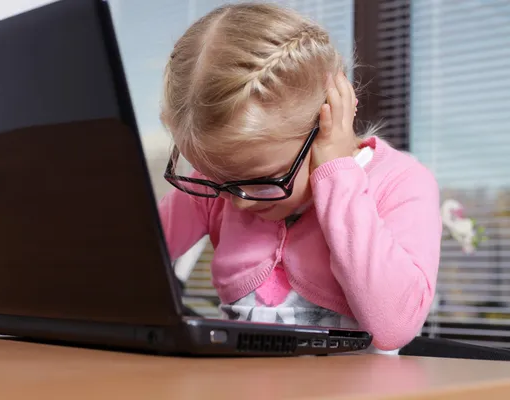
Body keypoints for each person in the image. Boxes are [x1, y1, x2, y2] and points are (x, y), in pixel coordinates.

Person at [158, 3, 442, 353]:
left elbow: (394, 326)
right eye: (217, 180)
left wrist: (336, 175)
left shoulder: (401, 182)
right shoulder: (224, 182)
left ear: (325, 124)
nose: (238, 201)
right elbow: (124, 260)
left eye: (265, 180)